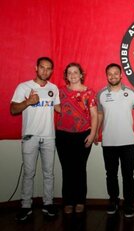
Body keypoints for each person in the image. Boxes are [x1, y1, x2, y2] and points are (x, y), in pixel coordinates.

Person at [95, 63, 134, 218]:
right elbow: (99, 115)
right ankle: (113, 201)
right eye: (110, 74)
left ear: (121, 75)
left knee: (128, 175)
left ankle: (129, 204)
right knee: (111, 174)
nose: (113, 76)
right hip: (109, 142)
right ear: (107, 76)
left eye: (116, 73)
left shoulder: (131, 93)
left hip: (128, 142)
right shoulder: (101, 94)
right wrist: (96, 133)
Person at [10, 57, 60, 221]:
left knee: (48, 173)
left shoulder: (54, 88)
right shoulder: (24, 87)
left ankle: (48, 203)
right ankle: (26, 206)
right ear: (36, 68)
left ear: (51, 71)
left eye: (48, 68)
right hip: (30, 136)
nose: (45, 71)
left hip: (48, 136)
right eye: (42, 68)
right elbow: (13, 109)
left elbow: (59, 108)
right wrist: (28, 101)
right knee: (29, 173)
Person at [56, 62, 98, 214]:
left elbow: (94, 115)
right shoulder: (59, 91)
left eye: (75, 72)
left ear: (81, 75)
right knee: (67, 169)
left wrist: (92, 134)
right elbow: (56, 106)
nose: (73, 75)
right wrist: (66, 112)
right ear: (66, 76)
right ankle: (68, 201)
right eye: (69, 73)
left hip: (83, 135)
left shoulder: (89, 92)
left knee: (80, 169)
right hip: (62, 135)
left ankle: (80, 200)